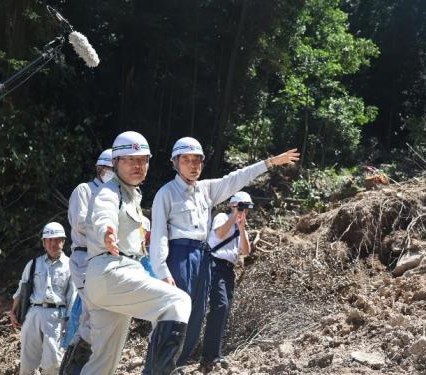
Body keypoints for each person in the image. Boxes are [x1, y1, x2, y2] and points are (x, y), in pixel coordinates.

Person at [150, 136, 299, 365]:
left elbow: (236, 178)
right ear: (175, 163)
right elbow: (159, 234)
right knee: (173, 316)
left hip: (203, 255)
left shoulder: (206, 190)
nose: (192, 165)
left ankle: (176, 365)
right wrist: (162, 270)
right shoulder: (166, 193)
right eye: (186, 160)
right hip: (179, 255)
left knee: (196, 316)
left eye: (197, 160)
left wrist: (270, 162)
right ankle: (155, 367)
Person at [81, 131, 191, 375]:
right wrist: (106, 232)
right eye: (130, 160)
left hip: (109, 279)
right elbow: (103, 214)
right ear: (116, 162)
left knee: (103, 364)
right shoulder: (109, 191)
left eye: (143, 160)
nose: (138, 165)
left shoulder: (132, 196)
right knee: (178, 301)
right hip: (113, 271)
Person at [60, 148, 114, 374]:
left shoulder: (116, 195)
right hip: (85, 256)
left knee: (92, 317)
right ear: (100, 168)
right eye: (109, 168)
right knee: (94, 313)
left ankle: (78, 367)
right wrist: (105, 227)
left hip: (105, 258)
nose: (111, 173)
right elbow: (80, 222)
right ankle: (73, 367)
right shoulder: (85, 190)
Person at [9, 222, 76, 375]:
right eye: (49, 240)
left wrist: (69, 321)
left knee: (53, 364)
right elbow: (22, 290)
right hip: (33, 314)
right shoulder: (33, 264)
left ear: (63, 241)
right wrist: (13, 312)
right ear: (44, 242)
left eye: (57, 239)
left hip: (57, 317)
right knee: (27, 362)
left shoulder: (71, 265)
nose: (53, 243)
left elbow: (72, 296)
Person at [201, 191, 253, 369]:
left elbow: (246, 251)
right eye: (241, 206)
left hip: (229, 270)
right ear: (233, 205)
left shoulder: (240, 226)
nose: (244, 211)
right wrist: (234, 217)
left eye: (246, 208)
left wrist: (242, 227)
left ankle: (214, 354)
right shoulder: (222, 217)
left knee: (224, 310)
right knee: (220, 306)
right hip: (215, 265)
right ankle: (209, 356)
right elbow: (220, 233)